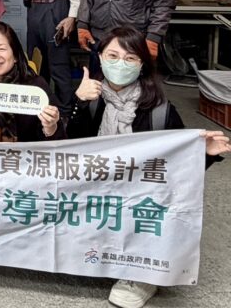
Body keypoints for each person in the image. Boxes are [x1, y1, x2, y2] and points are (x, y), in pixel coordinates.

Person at [66, 25, 229, 308]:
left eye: (130, 58)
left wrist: (204, 154)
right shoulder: (91, 99)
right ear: (100, 58)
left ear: (142, 64)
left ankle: (142, 274)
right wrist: (78, 102)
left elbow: (177, 171)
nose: (120, 63)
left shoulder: (160, 111)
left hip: (139, 196)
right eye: (112, 55)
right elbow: (69, 152)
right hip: (97, 188)